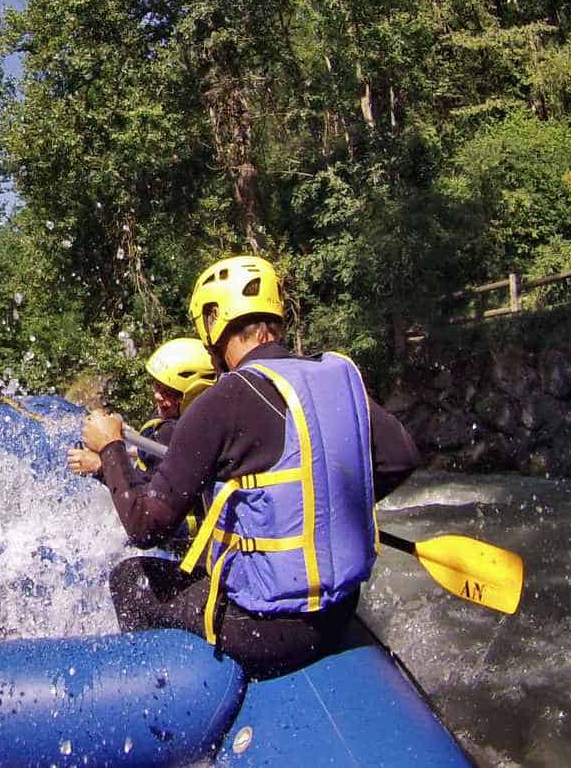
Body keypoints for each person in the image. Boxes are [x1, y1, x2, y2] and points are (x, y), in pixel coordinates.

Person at [81, 256, 424, 678]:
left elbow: (145, 527)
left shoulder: (221, 400)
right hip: (340, 608)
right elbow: (401, 458)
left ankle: (155, 696)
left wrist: (112, 449)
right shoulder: (336, 373)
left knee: (131, 579)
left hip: (272, 631)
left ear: (213, 319)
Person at [66, 337, 217, 479]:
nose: (158, 396)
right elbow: (150, 453)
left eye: (168, 392)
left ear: (195, 394)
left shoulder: (178, 437)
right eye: (157, 385)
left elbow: (146, 502)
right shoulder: (171, 414)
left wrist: (99, 465)